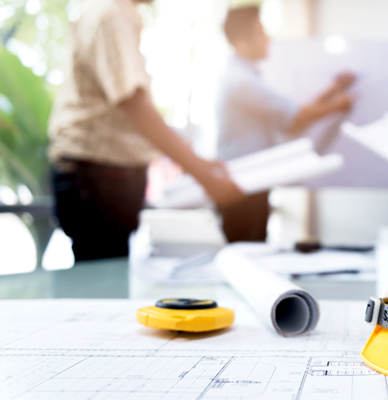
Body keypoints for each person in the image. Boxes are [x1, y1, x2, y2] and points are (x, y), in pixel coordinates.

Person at [48, 0, 245, 261]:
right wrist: (202, 173)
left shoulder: (111, 12)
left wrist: (201, 166)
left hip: (98, 176)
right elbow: (135, 104)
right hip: (97, 177)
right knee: (104, 281)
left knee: (106, 274)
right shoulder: (110, 14)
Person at [216, 2, 355, 243]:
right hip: (241, 185)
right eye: (260, 33)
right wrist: (338, 106)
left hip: (252, 181)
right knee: (244, 249)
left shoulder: (245, 77)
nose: (267, 39)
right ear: (242, 42)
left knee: (252, 245)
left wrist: (333, 89)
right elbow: (296, 117)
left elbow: (292, 118)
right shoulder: (242, 82)